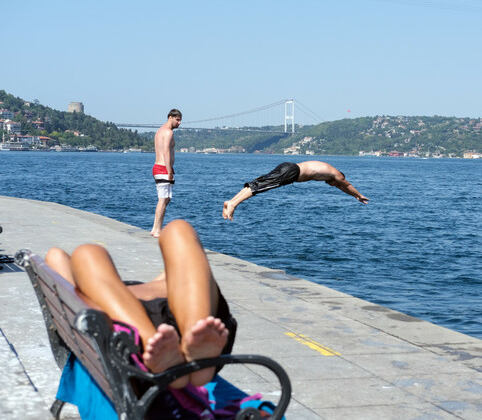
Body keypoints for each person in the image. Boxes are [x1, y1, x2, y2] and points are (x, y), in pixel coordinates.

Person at [44, 220, 236, 389]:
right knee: (177, 229)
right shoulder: (164, 283)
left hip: (132, 329)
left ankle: (166, 350)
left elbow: (55, 257)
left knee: (86, 253)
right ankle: (193, 345)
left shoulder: (100, 289)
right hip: (174, 319)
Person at [222, 160, 369, 221]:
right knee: (260, 186)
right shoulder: (336, 174)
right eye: (335, 183)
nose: (334, 185)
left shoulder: (329, 173)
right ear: (340, 176)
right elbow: (346, 185)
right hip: (292, 172)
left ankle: (231, 202)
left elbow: (342, 188)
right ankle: (234, 204)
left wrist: (353, 197)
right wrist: (359, 195)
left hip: (289, 169)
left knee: (259, 184)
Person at [151, 109, 182, 237]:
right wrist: (169, 171)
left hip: (159, 167)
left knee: (167, 198)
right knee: (163, 200)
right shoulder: (168, 133)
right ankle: (156, 229)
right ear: (170, 117)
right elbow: (166, 152)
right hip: (163, 168)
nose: (179, 123)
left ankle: (156, 227)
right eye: (177, 120)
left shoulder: (159, 131)